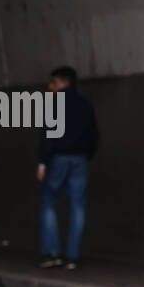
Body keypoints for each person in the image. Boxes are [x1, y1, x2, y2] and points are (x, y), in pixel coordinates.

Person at [37, 65, 98, 271]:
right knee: (78, 206)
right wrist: (86, 155)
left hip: (59, 158)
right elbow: (93, 135)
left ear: (64, 83)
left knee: (48, 201)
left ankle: (53, 253)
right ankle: (72, 257)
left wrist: (42, 162)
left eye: (53, 82)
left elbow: (47, 136)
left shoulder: (52, 104)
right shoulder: (85, 105)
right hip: (80, 159)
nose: (49, 87)